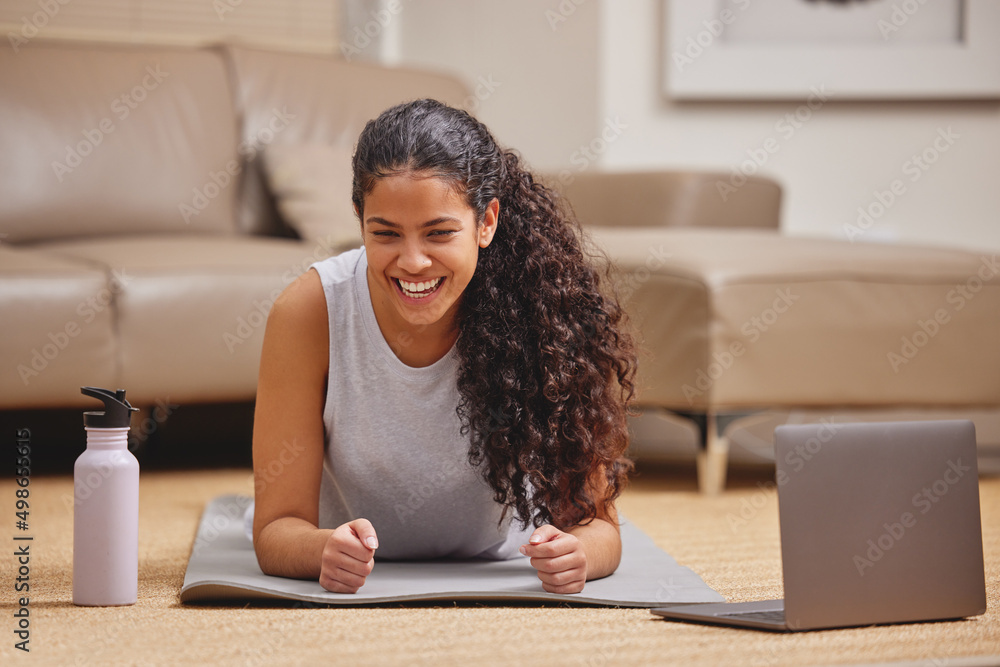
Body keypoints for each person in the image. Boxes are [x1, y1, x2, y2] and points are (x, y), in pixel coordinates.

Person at [250, 98, 636, 595]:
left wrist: (577, 555)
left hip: (499, 566)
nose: (413, 262)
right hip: (351, 563)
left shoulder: (546, 317)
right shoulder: (309, 312)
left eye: (439, 233)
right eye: (385, 233)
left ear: (486, 222)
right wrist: (319, 551)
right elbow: (277, 529)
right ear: (358, 218)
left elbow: (600, 527)